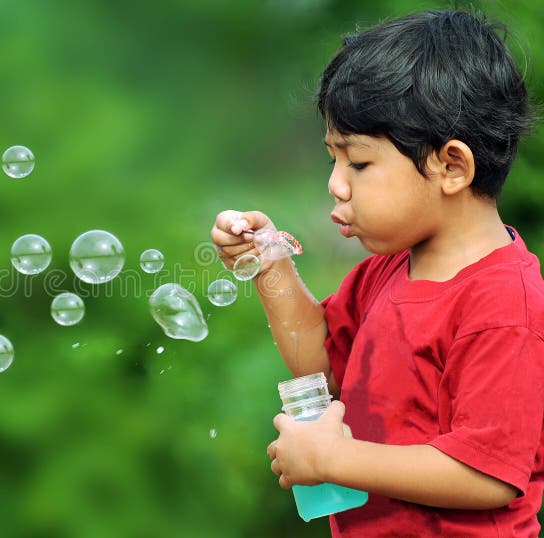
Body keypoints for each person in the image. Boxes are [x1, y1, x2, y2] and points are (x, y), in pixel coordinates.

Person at [210, 10, 544, 537]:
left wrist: (333, 460)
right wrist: (268, 262)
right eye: (332, 160)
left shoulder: (505, 303)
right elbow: (319, 364)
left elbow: (489, 475)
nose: (336, 185)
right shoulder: (387, 271)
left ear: (451, 167)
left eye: (358, 164)